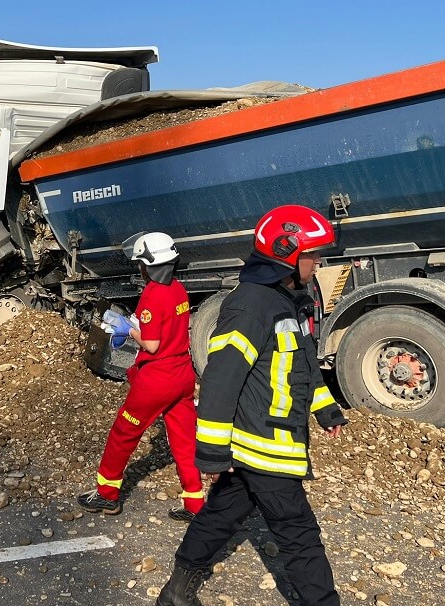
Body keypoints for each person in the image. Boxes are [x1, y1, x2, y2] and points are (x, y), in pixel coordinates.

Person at [156, 205, 347, 606]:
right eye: (312, 254)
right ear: (286, 253)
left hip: (264, 440)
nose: (318, 262)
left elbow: (302, 366)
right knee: (299, 535)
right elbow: (221, 381)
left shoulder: (289, 300)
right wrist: (210, 451)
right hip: (262, 443)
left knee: (223, 512)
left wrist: (325, 408)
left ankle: (176, 591)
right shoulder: (250, 306)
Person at [77, 232, 204, 521]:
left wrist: (127, 329)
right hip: (182, 374)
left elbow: (152, 344)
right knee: (184, 441)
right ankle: (195, 503)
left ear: (147, 265)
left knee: (124, 433)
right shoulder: (178, 289)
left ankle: (107, 495)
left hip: (156, 379)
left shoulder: (152, 294)